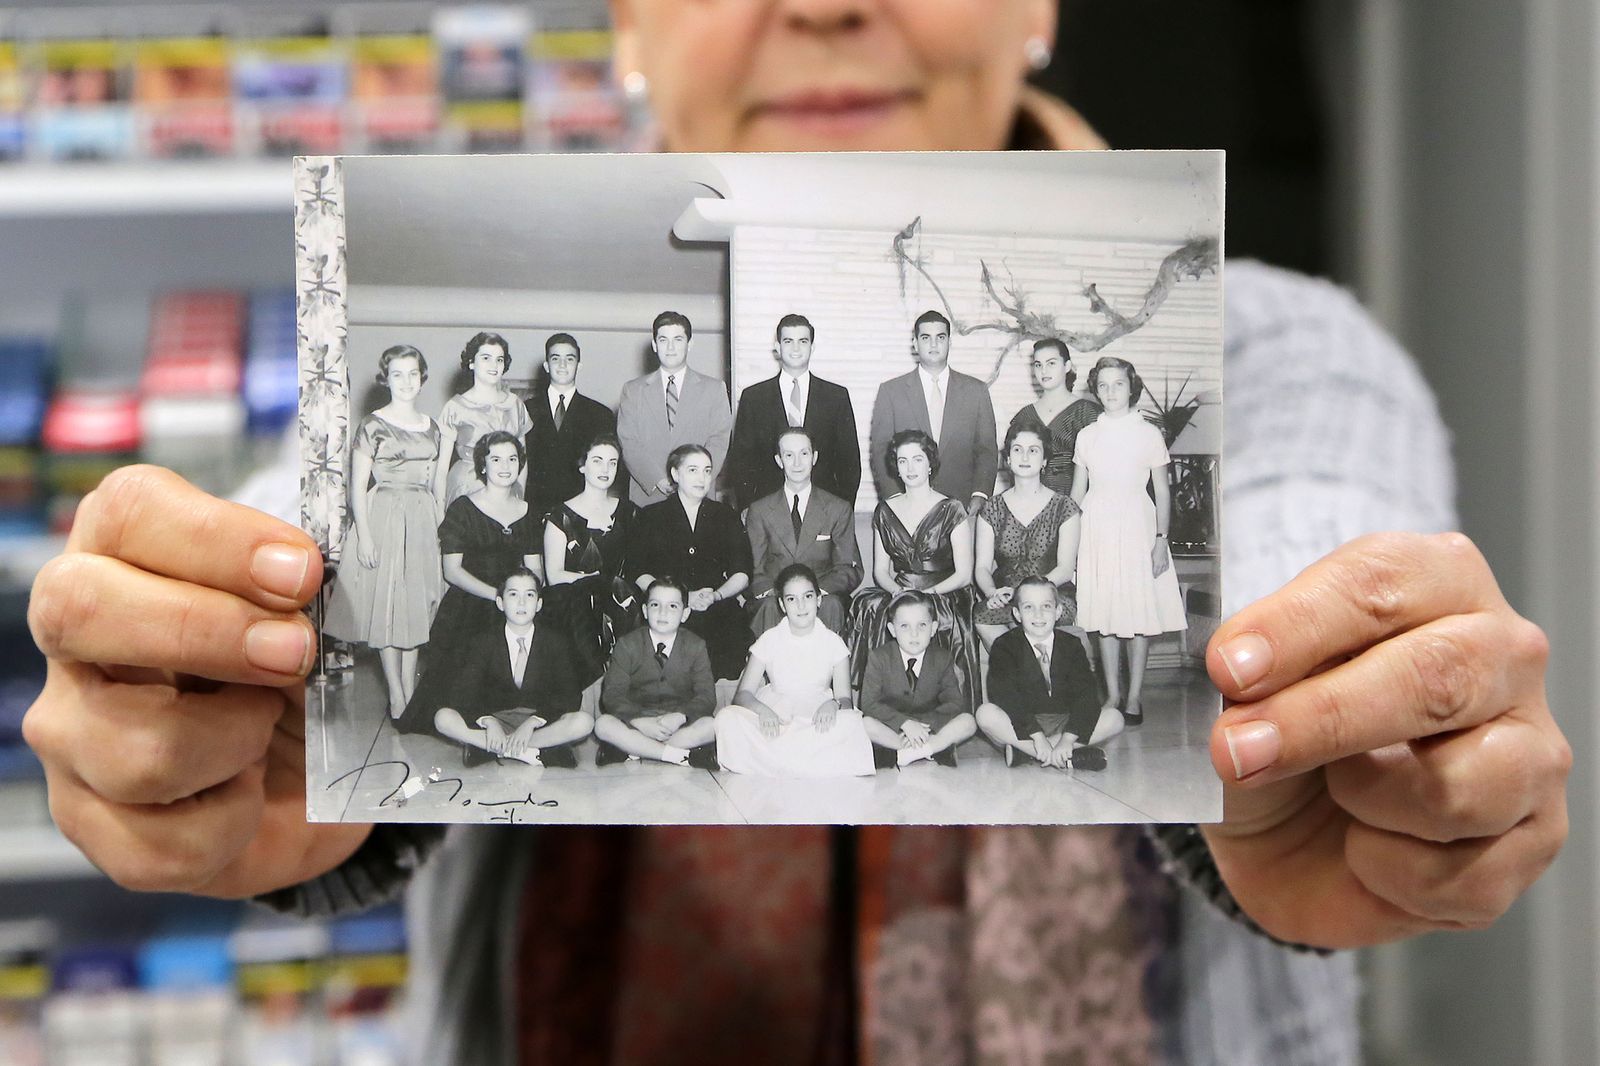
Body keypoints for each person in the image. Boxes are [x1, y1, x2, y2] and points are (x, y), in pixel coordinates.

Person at [21, 5, 1568, 1065]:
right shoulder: (458, 376)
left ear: (1034, 1)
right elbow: (309, 530)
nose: (824, 4)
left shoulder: (1278, 354)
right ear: (624, 21)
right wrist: (217, 693)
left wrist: (1322, 726)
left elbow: (1312, 536)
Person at [322, 344, 447, 720]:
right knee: (389, 608)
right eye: (397, 374)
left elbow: (436, 483)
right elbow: (356, 487)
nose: (406, 381)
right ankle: (395, 694)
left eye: (413, 373)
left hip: (423, 517)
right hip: (384, 516)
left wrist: (441, 522)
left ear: (422, 378)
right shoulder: (373, 424)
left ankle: (410, 688)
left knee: (417, 608)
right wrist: (366, 536)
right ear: (386, 379)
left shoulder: (433, 427)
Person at [395, 431, 543, 735]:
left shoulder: (528, 511)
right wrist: (497, 597)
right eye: (496, 459)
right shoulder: (463, 508)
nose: (505, 466)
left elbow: (535, 570)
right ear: (483, 466)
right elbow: (453, 571)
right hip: (473, 604)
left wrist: (522, 602)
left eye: (512, 459)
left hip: (516, 603)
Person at [1070, 356, 1187, 726]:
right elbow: (1076, 492)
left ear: (1130, 386)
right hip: (1097, 526)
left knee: (1138, 612)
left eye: (1117, 384)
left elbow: (1163, 493)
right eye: (1102, 385)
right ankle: (1113, 694)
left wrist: (1161, 540)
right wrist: (1068, 540)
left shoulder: (1149, 433)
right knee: (1104, 613)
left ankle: (1134, 695)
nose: (1110, 392)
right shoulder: (1087, 435)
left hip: (1138, 525)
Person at [846, 430, 979, 708]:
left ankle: (938, 707)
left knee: (933, 616)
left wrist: (927, 593)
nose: (910, 468)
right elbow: (881, 572)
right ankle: (883, 705)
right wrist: (899, 592)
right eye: (903, 461)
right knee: (870, 607)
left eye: (917, 459)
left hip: (944, 590)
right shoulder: (884, 510)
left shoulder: (952, 508)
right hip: (901, 589)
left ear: (930, 463)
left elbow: (964, 574)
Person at [715, 564, 875, 777]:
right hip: (776, 716)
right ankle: (805, 762)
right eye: (791, 599)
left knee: (852, 722)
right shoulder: (769, 639)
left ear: (818, 600)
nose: (801, 605)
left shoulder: (833, 642)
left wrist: (834, 704)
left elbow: (845, 699)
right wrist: (763, 711)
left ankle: (776, 761)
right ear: (782, 604)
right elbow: (742, 695)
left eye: (807, 596)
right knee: (727, 718)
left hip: (816, 720)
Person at [429, 568, 591, 769]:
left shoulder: (555, 642)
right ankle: (530, 750)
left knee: (584, 722)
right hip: (497, 720)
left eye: (529, 595)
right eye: (513, 594)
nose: (521, 603)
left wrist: (534, 721)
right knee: (443, 718)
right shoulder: (483, 642)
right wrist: (488, 721)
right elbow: (463, 693)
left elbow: (569, 696)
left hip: (540, 723)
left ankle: (496, 748)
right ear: (500, 603)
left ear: (539, 604)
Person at [629, 444, 753, 680]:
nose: (702, 478)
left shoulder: (725, 515)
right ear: (675, 474)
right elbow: (638, 571)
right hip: (668, 608)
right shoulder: (650, 516)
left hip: (716, 605)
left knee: (730, 639)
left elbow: (742, 572)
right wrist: (680, 599)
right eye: (693, 470)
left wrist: (715, 596)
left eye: (707, 470)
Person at [977, 576, 1120, 771]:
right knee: (985, 714)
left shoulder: (1072, 645)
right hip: (1022, 723)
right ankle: (1057, 756)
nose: (1038, 615)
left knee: (1114, 718)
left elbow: (1086, 695)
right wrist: (1037, 736)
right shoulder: (1005, 645)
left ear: (1058, 611)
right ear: (1017, 614)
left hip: (1064, 721)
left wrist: (1068, 739)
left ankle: (1025, 753)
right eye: (1029, 607)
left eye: (1046, 606)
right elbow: (1006, 696)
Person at [868, 309, 999, 515]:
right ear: (915, 343)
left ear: (949, 342)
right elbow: (881, 450)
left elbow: (987, 450)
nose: (934, 344)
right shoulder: (891, 392)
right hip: (907, 506)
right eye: (926, 338)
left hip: (962, 507)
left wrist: (980, 495)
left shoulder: (976, 391)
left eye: (940, 337)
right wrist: (895, 499)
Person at [727, 314, 862, 510]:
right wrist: (750, 510)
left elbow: (849, 462)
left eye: (803, 341)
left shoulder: (836, 397)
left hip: (823, 509)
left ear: (812, 347)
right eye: (788, 341)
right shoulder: (754, 397)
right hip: (768, 511)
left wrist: (841, 510)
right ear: (777, 347)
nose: (796, 348)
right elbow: (741, 462)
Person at [540, 433, 640, 687]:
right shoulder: (559, 515)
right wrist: (600, 582)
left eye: (613, 462)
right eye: (597, 461)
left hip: (623, 601)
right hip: (575, 604)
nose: (606, 469)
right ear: (583, 466)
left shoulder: (629, 512)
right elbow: (554, 575)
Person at [744, 427, 862, 635]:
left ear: (814, 457)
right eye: (789, 455)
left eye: (804, 454)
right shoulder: (760, 510)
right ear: (779, 461)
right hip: (775, 595)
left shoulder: (838, 508)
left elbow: (848, 568)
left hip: (821, 595)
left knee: (831, 604)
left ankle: (828, 667)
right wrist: (782, 595)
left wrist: (812, 595)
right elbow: (753, 570)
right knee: (770, 607)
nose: (797, 463)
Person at [973, 423, 1082, 649]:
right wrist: (992, 592)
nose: (1024, 456)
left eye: (1033, 450)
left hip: (1052, 592)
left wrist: (1028, 594)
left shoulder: (1065, 507)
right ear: (1008, 459)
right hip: (1007, 595)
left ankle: (1028, 671)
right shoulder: (991, 508)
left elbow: (1065, 568)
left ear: (1044, 460)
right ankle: (1024, 669)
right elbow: (982, 567)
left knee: (1037, 614)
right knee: (982, 615)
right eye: (1017, 449)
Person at [595, 578, 718, 768]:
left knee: (713, 726)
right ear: (644, 611)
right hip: (637, 723)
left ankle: (635, 749)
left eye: (672, 606)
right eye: (655, 605)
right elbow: (612, 694)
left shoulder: (696, 645)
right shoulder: (627, 644)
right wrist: (639, 720)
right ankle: (675, 755)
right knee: (603, 724)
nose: (663, 612)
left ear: (685, 614)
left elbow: (707, 696)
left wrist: (680, 716)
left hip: (677, 726)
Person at [615, 311, 733, 506]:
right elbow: (629, 442)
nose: (670, 347)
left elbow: (719, 441)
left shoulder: (714, 389)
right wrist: (657, 479)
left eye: (678, 339)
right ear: (654, 345)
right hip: (649, 496)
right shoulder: (633, 390)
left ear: (690, 344)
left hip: (698, 493)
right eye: (663, 340)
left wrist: (692, 479)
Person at [859, 590, 976, 768]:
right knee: (865, 724)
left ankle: (909, 753)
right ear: (892, 630)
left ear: (933, 628)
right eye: (904, 626)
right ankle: (929, 750)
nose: (914, 634)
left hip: (929, 727)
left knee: (968, 722)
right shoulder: (879, 657)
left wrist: (923, 727)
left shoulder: (942, 658)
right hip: (894, 727)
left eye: (922, 625)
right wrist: (904, 723)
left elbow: (954, 703)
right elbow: (869, 704)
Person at [523, 333, 620, 520]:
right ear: (546, 366)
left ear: (578, 366)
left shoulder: (600, 414)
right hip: (533, 511)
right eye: (555, 358)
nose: (562, 365)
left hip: (582, 515)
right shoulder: (526, 410)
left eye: (569, 359)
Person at [439, 331, 534, 504]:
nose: (494, 365)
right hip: (466, 488)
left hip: (507, 489)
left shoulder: (515, 405)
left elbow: (522, 461)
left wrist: (520, 496)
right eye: (486, 358)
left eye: (499, 359)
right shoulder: (456, 407)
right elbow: (441, 468)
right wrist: (438, 510)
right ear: (471, 363)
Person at [1005, 337, 1101, 494]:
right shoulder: (1024, 416)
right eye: (1038, 365)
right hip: (1031, 502)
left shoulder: (1088, 413)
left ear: (1067, 366)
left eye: (1051, 363)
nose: (1043, 371)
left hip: (1077, 501)